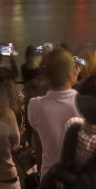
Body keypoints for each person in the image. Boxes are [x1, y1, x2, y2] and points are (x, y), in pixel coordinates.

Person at [27, 47, 80, 178]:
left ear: (47, 76)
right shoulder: (84, 104)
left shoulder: (35, 105)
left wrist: (39, 170)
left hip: (49, 176)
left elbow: (38, 143)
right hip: (77, 177)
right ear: (72, 74)